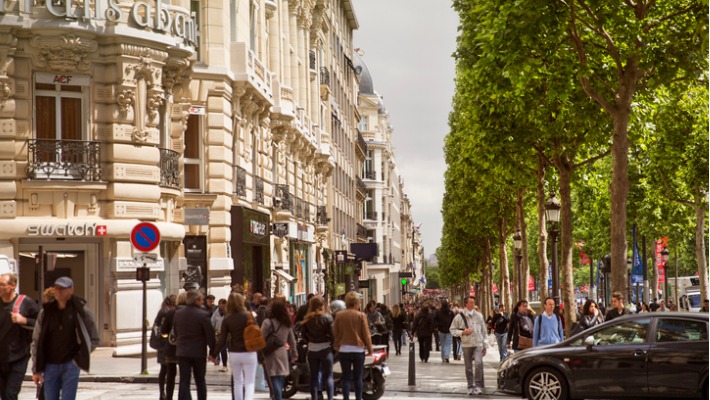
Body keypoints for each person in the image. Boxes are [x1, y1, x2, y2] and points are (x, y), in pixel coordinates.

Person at [31, 277, 100, 400]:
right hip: (50, 365)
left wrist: (80, 356)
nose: (59, 292)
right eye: (56, 288)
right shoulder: (46, 312)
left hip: (71, 364)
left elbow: (94, 338)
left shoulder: (81, 311)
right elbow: (36, 340)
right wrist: (36, 369)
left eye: (62, 289)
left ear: (71, 290)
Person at [210, 292, 258, 400]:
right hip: (249, 351)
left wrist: (214, 354)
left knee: (237, 381)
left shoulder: (227, 319)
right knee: (249, 381)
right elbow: (256, 334)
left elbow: (222, 339)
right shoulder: (249, 315)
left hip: (234, 352)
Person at [0, 273, 39, 400]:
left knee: (11, 394)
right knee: (4, 395)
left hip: (18, 357)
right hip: (1, 358)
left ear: (13, 285)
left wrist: (25, 320)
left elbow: (41, 323)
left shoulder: (25, 302)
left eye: (2, 285)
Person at [173, 289, 215, 400]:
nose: (202, 301)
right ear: (196, 300)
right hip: (198, 352)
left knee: (184, 379)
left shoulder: (178, 313)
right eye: (201, 299)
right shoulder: (203, 314)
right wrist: (213, 351)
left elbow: (176, 331)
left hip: (182, 352)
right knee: (200, 380)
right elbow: (210, 334)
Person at [333, 291, 373, 400]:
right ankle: (358, 398)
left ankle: (346, 398)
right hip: (358, 350)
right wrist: (370, 349)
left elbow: (335, 332)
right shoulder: (361, 315)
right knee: (358, 377)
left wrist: (336, 345)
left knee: (346, 377)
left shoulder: (339, 315)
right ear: (356, 303)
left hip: (344, 350)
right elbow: (366, 334)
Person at [449, 296, 488, 396]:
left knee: (479, 363)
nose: (472, 304)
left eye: (473, 302)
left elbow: (484, 331)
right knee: (468, 367)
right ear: (466, 304)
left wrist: (485, 345)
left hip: (478, 343)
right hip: (466, 344)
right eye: (470, 302)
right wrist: (462, 332)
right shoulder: (459, 316)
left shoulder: (479, 316)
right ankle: (470, 386)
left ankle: (478, 386)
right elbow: (452, 330)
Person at [261, 299, 297, 400]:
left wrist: (259, 351)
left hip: (270, 352)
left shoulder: (267, 322)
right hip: (283, 352)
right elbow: (292, 340)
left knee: (273, 377)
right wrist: (294, 354)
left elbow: (260, 337)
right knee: (281, 376)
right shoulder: (287, 323)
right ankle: (278, 396)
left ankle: (278, 397)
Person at [302, 296, 335, 400]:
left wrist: (309, 342)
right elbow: (333, 335)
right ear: (322, 305)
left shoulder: (307, 319)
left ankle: (314, 398)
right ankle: (330, 398)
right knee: (329, 376)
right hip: (325, 349)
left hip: (312, 349)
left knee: (314, 376)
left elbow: (303, 335)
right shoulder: (328, 317)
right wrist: (332, 345)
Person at [160, 292, 186, 400]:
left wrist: (166, 338)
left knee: (171, 375)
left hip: (171, 347)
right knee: (184, 376)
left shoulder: (171, 313)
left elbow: (163, 331)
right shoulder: (188, 312)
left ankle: (169, 397)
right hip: (184, 348)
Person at [154, 295, 177, 400]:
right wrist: (165, 339)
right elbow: (162, 330)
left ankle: (162, 393)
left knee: (164, 369)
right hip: (164, 344)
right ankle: (163, 393)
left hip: (163, 344)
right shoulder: (165, 312)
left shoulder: (164, 311)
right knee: (165, 369)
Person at [211, 298, 229, 372]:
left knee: (223, 349)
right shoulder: (216, 312)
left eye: (223, 304)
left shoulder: (228, 313)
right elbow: (212, 322)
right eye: (220, 304)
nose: (221, 306)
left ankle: (224, 364)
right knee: (221, 348)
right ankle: (221, 363)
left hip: (227, 334)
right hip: (218, 334)